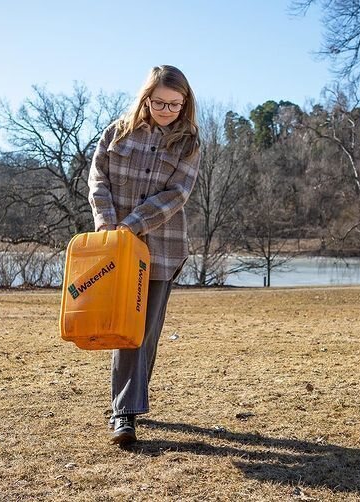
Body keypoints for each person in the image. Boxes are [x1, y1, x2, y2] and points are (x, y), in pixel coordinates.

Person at [87, 65, 201, 445]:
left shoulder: (189, 144)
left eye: (175, 104)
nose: (167, 110)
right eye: (159, 102)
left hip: (161, 251)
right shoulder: (116, 133)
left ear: (185, 103)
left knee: (142, 333)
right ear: (145, 97)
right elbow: (98, 179)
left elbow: (176, 194)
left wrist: (132, 224)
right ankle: (128, 407)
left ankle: (125, 413)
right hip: (113, 248)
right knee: (122, 327)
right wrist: (108, 223)